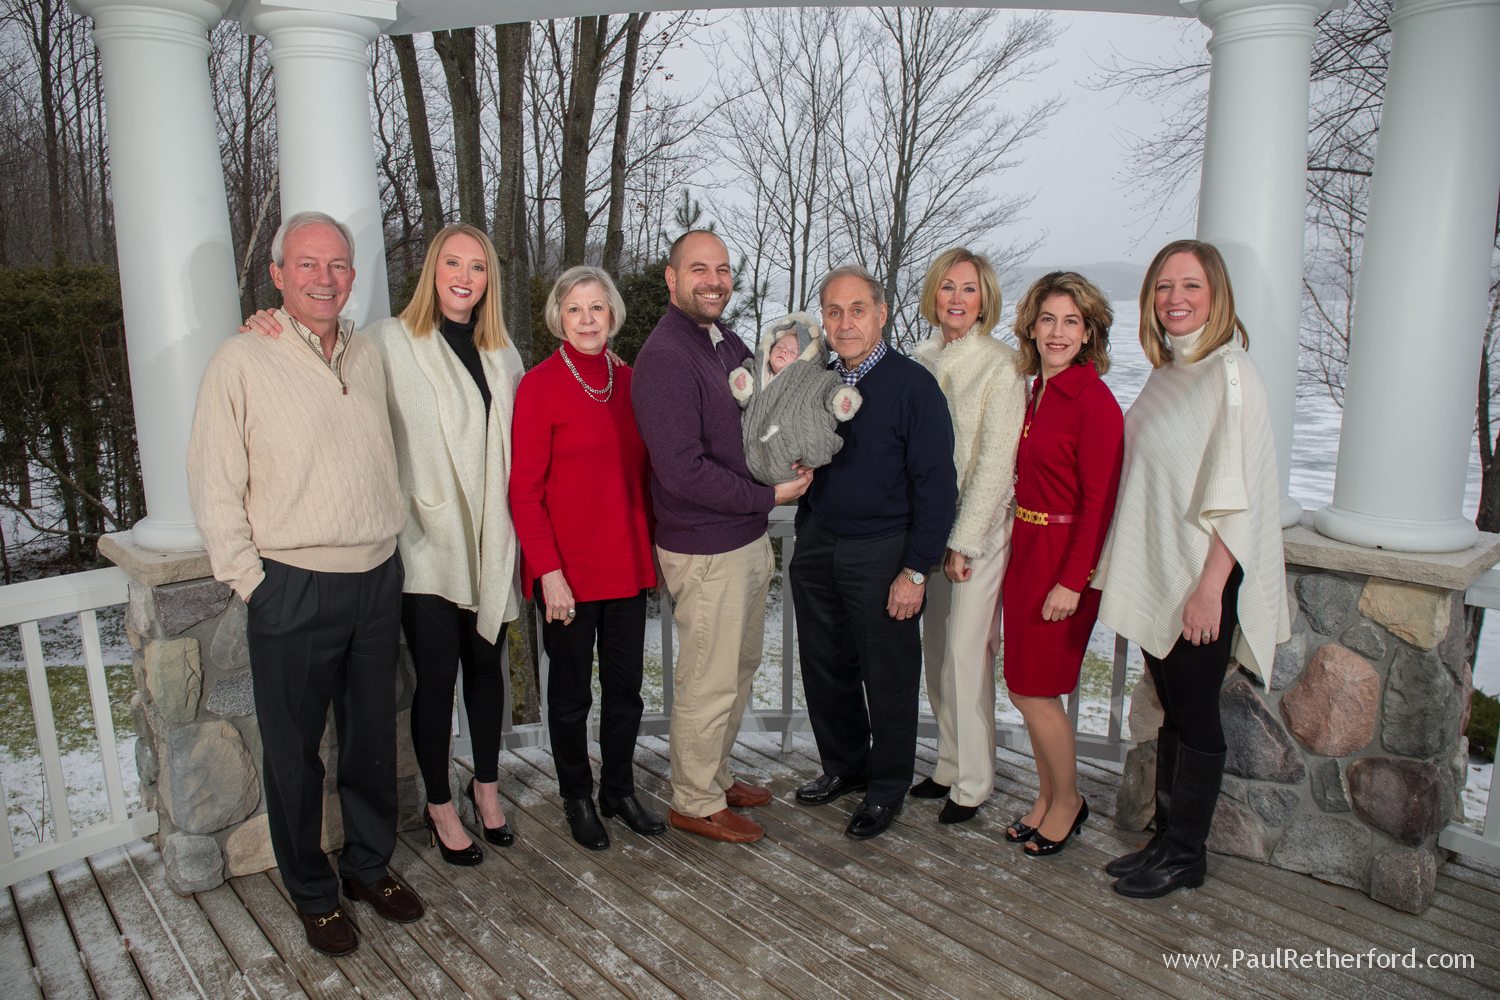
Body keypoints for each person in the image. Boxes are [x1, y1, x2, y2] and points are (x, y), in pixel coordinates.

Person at [243, 223, 525, 869]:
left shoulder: (503, 354)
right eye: (452, 262)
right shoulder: (388, 342)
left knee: (488, 674)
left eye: (477, 267)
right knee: (437, 678)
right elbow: (320, 358)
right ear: (431, 270)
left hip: (490, 541)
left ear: (489, 281)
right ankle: (439, 804)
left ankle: (485, 788)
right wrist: (267, 321)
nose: (464, 276)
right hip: (427, 542)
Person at [188, 211, 421, 957]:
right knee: (294, 755)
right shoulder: (241, 359)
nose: (325, 278)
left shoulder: (369, 353)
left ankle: (367, 866)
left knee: (371, 741)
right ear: (279, 275)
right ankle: (314, 894)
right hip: (293, 587)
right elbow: (213, 482)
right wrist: (254, 583)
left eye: (339, 265)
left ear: (353, 275)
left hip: (375, 578)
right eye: (308, 265)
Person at [1094, 240, 1288, 897]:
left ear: (1217, 296)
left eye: (1191, 287)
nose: (1175, 298)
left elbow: (1239, 498)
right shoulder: (1174, 368)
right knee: (1175, 710)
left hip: (1201, 579)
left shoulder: (1231, 373)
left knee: (1197, 712)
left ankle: (1185, 855)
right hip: (1166, 571)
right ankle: (1165, 842)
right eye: (1163, 287)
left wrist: (1210, 590)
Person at [632, 230, 812, 844]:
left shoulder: (720, 339)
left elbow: (765, 399)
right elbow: (681, 471)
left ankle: (715, 772)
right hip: (706, 546)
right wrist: (769, 496)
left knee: (736, 667)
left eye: (723, 270)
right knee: (709, 678)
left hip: (743, 536)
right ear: (672, 278)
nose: (714, 280)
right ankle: (694, 799)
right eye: (699, 269)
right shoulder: (666, 357)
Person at [792, 265, 957, 841]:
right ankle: (845, 766)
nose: (845, 322)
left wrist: (915, 570)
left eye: (857, 309)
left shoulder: (914, 387)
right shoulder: (817, 382)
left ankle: (887, 788)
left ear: (882, 314)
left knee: (887, 676)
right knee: (826, 668)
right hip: (820, 545)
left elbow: (938, 489)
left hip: (885, 552)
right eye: (833, 311)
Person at [509, 266, 662, 851]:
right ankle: (576, 794)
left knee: (626, 690)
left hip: (624, 564)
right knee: (572, 696)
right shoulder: (540, 385)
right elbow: (524, 491)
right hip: (567, 576)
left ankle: (617, 789)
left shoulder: (631, 381)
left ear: (613, 314)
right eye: (576, 309)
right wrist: (548, 573)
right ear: (559, 317)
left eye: (597, 307)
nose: (588, 319)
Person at [1001, 271, 1123, 858]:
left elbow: (1100, 504)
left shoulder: (1094, 402)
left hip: (1063, 564)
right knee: (1025, 690)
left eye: (1071, 321)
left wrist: (1073, 582)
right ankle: (1048, 797)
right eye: (1048, 319)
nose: (1057, 332)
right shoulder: (1036, 391)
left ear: (1089, 331)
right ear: (1032, 325)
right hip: (1026, 551)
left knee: (1038, 693)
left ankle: (1068, 802)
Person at [910, 248, 1027, 825]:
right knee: (936, 653)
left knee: (965, 653)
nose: (957, 299)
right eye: (948, 287)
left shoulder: (1002, 366)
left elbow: (996, 466)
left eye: (970, 290)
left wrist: (963, 541)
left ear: (985, 300)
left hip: (976, 533)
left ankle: (975, 781)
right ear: (934, 293)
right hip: (927, 530)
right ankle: (949, 764)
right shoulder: (919, 358)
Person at [728, 312, 862, 485]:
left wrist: (841, 400)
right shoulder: (757, 370)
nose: (784, 350)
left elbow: (829, 388)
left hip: (789, 457)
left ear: (804, 358)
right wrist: (742, 384)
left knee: (810, 428)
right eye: (780, 346)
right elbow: (745, 400)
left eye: (792, 351)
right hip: (751, 456)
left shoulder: (813, 377)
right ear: (769, 348)